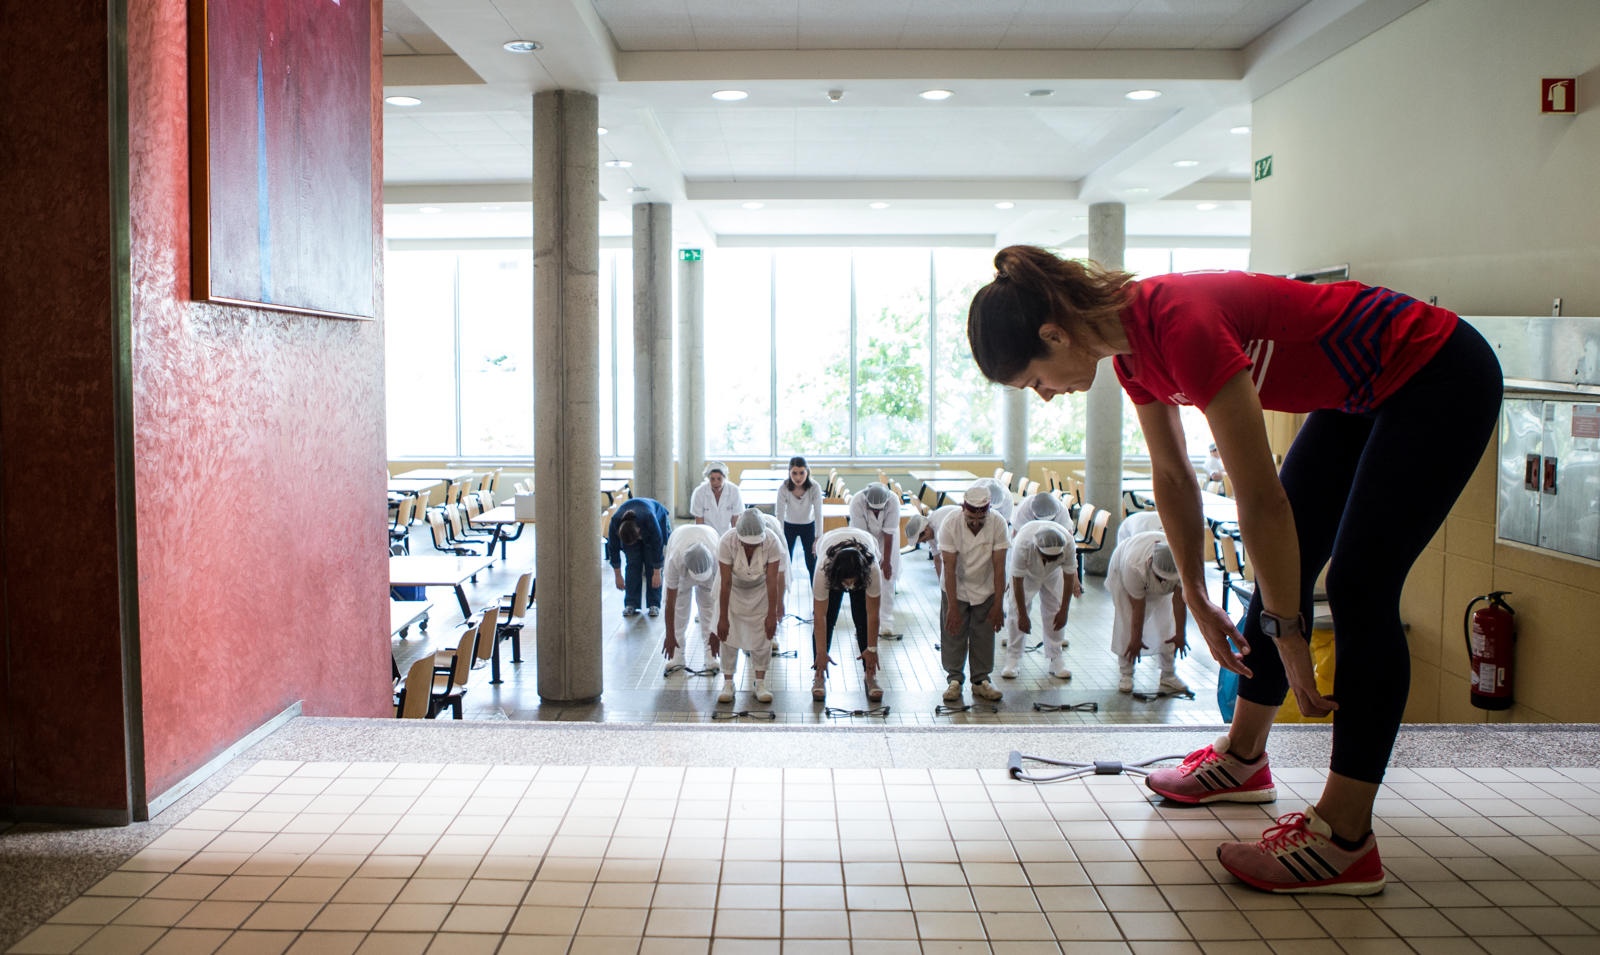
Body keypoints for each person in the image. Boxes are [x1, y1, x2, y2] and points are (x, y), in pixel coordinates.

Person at [968, 245, 1500, 895]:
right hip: (1362, 391)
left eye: (1035, 382)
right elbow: (1172, 476)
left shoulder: (1181, 325)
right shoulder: (1132, 355)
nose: (1046, 396)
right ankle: (1244, 758)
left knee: (1360, 583)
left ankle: (1345, 837)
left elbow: (1262, 500)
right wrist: (1194, 593)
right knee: (1284, 566)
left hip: (1439, 370)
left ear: (1054, 335)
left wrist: (1290, 632)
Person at [936, 484, 1009, 704]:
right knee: (953, 631)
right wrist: (952, 607)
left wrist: (998, 604)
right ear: (963, 509)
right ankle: (954, 680)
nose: (976, 523)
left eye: (981, 519)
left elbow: (1000, 567)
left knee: (984, 633)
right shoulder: (950, 523)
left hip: (986, 584)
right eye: (971, 519)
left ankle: (981, 681)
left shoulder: (998, 523)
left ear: (988, 512)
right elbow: (949, 568)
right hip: (955, 584)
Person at [713, 509, 789, 704]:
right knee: (727, 635)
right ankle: (728, 683)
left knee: (763, 634)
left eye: (755, 544)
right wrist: (722, 617)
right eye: (747, 544)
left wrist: (772, 613)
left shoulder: (772, 542)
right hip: (733, 589)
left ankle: (760, 683)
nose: (751, 548)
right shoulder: (726, 541)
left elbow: (772, 580)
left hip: (761, 590)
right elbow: (725, 582)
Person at [1107, 531, 1188, 695]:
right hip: (1122, 567)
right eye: (1161, 576)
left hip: (1157, 567)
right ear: (1151, 562)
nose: (1164, 581)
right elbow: (1137, 607)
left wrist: (1180, 633)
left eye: (1168, 578)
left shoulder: (1183, 563)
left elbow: (1179, 602)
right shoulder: (1134, 565)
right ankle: (1126, 674)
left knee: (1168, 624)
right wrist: (1136, 639)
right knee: (1127, 622)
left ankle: (1168, 674)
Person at [810, 525, 883, 703]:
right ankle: (819, 675)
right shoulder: (824, 569)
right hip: (830, 549)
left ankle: (870, 675)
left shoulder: (872, 569)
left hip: (864, 547)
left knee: (862, 619)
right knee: (829, 618)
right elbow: (820, 616)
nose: (849, 586)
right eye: (846, 583)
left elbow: (873, 613)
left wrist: (872, 649)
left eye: (852, 583)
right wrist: (821, 652)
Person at [1001, 519, 1080, 680]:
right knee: (1016, 612)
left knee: (1055, 610)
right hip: (1027, 572)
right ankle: (1013, 658)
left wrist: (1064, 610)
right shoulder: (1023, 544)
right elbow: (1017, 581)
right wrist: (1023, 615)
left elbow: (1069, 576)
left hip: (1054, 573)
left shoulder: (1068, 544)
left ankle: (1056, 658)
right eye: (1046, 557)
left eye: (1054, 557)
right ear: (1037, 549)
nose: (1049, 560)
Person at [660, 523, 722, 675]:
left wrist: (715, 633)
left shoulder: (717, 557)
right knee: (679, 609)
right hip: (680, 545)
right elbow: (670, 603)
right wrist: (669, 634)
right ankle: (677, 656)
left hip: (708, 539)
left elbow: (718, 602)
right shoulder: (675, 560)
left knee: (709, 608)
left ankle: (710, 655)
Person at [848, 483, 902, 636]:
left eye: (879, 509)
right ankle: (863, 624)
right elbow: (862, 537)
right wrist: (868, 562)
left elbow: (889, 533)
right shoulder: (857, 502)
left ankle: (886, 622)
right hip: (862, 540)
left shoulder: (893, 501)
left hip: (887, 541)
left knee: (887, 579)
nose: (876, 512)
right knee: (864, 579)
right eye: (873, 509)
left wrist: (886, 561)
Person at [606, 496, 671, 617]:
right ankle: (631, 604)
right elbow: (613, 550)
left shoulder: (650, 518)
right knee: (633, 563)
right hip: (633, 528)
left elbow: (657, 548)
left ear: (639, 531)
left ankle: (654, 604)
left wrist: (657, 573)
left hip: (653, 518)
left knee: (651, 563)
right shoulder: (615, 522)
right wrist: (618, 576)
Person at [775, 456, 824, 580]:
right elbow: (779, 513)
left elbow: (818, 512)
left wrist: (818, 536)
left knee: (812, 562)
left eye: (802, 473)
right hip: (788, 526)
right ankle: (783, 590)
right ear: (789, 473)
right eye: (794, 473)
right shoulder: (784, 488)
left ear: (807, 472)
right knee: (785, 562)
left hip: (808, 526)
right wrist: (780, 535)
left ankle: (816, 591)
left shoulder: (814, 487)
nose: (798, 477)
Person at [690, 462, 743, 531]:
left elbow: (735, 518)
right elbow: (699, 521)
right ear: (708, 478)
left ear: (725, 478)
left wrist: (733, 535)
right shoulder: (699, 492)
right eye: (712, 479)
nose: (715, 482)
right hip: (707, 533)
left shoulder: (734, 491)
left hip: (727, 532)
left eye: (719, 479)